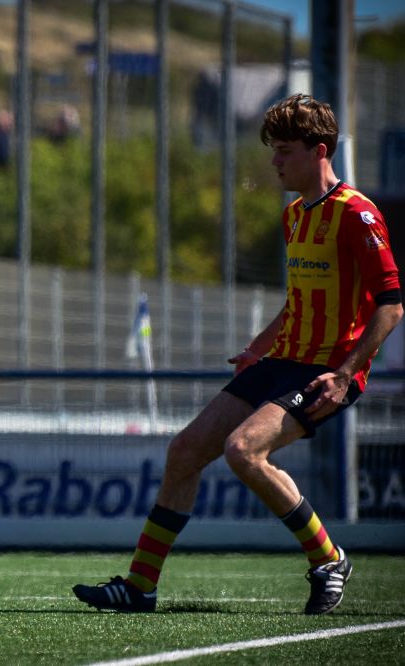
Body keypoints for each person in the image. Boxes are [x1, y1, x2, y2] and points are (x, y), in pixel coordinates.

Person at [72, 94, 402, 615]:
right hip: (281, 363)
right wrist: (256, 349)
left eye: (285, 151)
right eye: (273, 151)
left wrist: (344, 374)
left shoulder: (357, 214)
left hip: (324, 372)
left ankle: (328, 559)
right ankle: (140, 586)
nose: (274, 162)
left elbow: (392, 306)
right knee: (184, 452)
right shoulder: (294, 216)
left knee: (243, 450)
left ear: (319, 151)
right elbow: (297, 303)